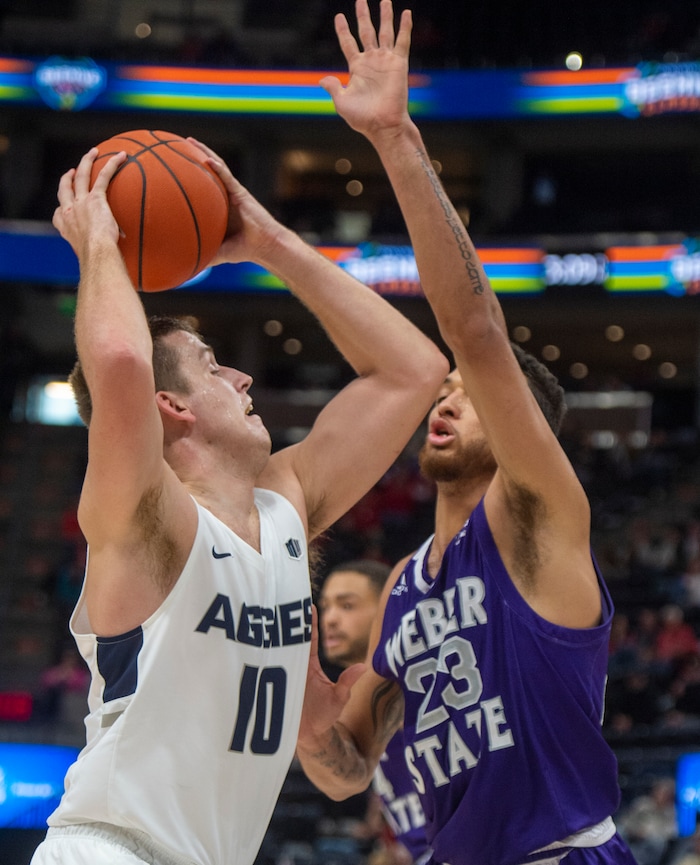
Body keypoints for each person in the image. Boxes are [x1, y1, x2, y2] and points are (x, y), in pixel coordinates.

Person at [30, 136, 447, 865]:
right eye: (215, 368)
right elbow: (122, 363)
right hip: (111, 849)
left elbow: (414, 371)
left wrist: (267, 238)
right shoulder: (146, 513)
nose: (245, 380)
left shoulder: (285, 502)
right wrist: (99, 242)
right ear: (171, 406)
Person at [296, 2, 639, 864]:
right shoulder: (409, 579)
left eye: (469, 396)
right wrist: (292, 662)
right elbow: (344, 767)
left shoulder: (536, 509)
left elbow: (477, 330)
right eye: (441, 392)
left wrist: (396, 140)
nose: (446, 401)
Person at [319, 560, 430, 865]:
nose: (329, 618)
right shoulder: (354, 707)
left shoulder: (420, 685)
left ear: (387, 608)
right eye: (325, 606)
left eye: (347, 605)